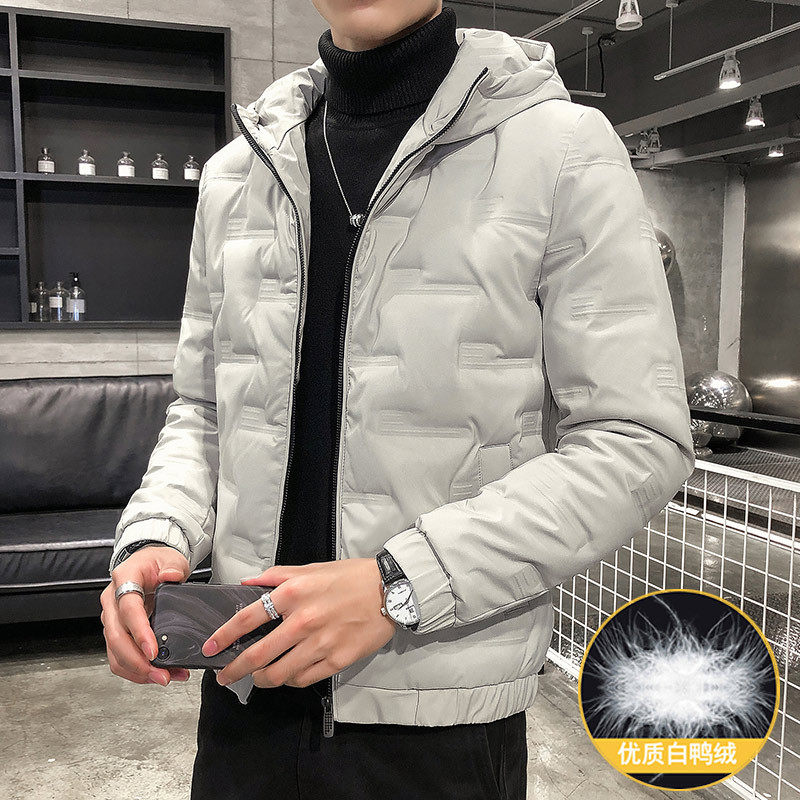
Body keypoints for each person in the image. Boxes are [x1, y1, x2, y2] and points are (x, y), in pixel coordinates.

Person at [100, 1, 695, 797]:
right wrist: (156, 534)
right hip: (243, 699)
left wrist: (399, 584)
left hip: (440, 719)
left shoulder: (562, 149)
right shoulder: (237, 174)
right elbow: (204, 411)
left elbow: (635, 438)